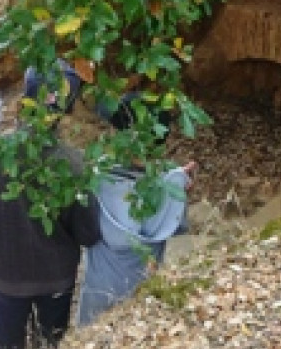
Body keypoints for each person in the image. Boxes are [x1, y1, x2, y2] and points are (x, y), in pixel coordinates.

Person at [0, 69, 101, 349]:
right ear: (65, 108)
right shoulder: (74, 163)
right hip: (57, 278)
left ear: (24, 100)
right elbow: (89, 234)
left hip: (8, 275)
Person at [76, 94, 194, 326]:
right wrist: (180, 185)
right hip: (142, 295)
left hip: (100, 293)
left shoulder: (97, 181)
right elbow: (177, 227)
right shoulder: (170, 187)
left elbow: (83, 233)